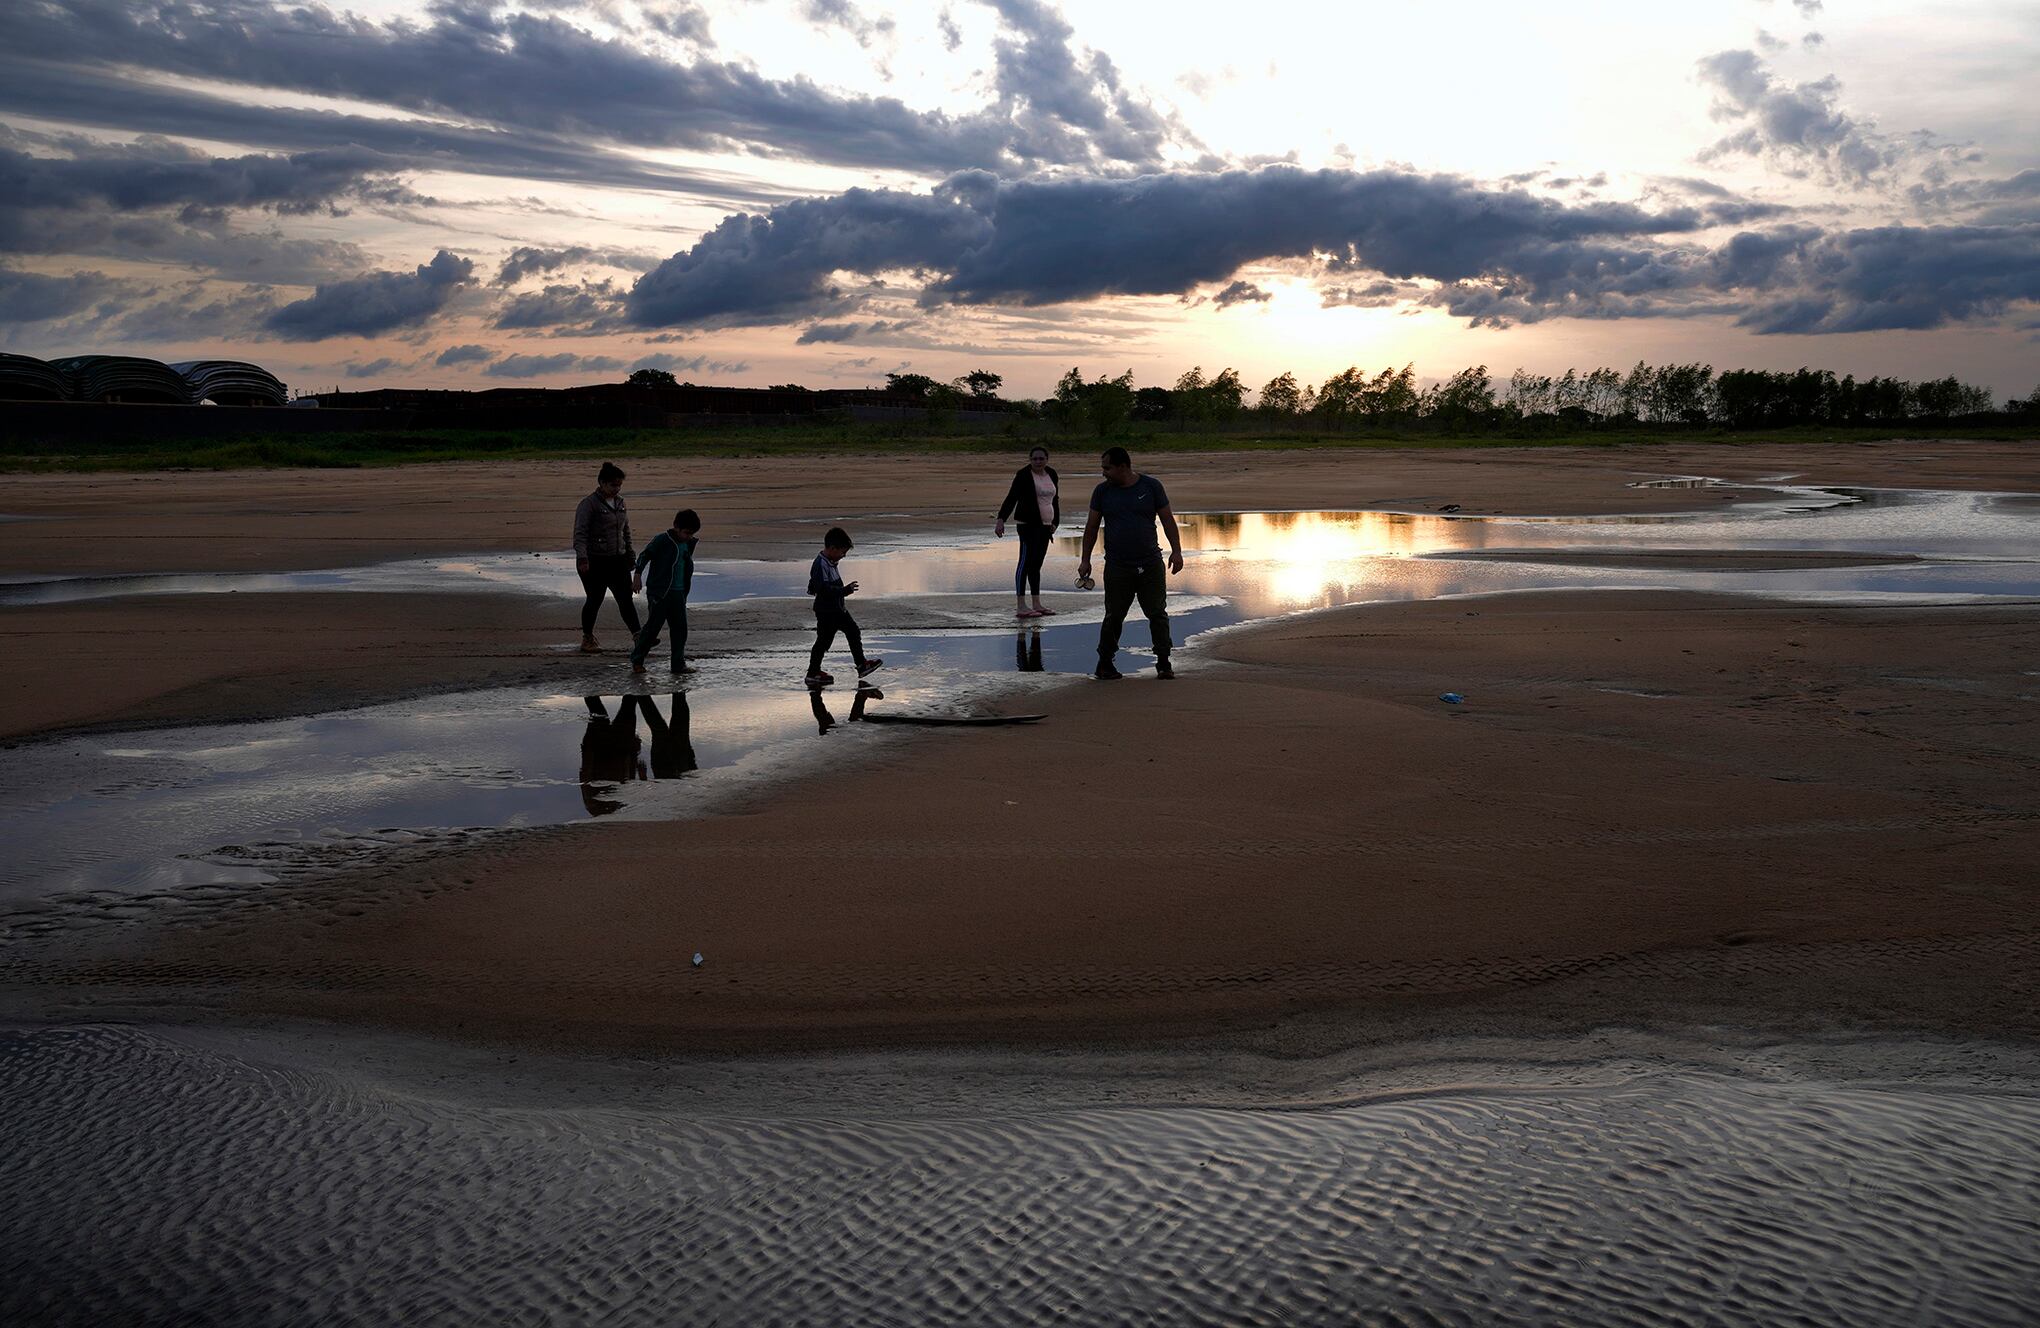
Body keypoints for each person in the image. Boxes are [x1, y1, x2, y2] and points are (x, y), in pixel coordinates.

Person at [1077, 446, 1183, 681]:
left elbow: (1167, 520)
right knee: (1114, 616)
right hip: (1118, 565)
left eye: (1107, 468)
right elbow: (1092, 527)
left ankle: (1164, 663)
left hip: (1150, 563)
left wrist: (1176, 552)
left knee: (1157, 613)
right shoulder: (1102, 492)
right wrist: (1085, 559)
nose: (1103, 472)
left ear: (1123, 466)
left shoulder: (1151, 486)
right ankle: (1105, 663)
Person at [573, 462, 641, 652]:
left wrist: (630, 554)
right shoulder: (588, 505)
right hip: (595, 561)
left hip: (618, 560)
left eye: (619, 485)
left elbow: (625, 531)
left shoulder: (620, 502)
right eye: (613, 485)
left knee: (625, 599)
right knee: (595, 599)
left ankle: (638, 636)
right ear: (602, 483)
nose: (616, 489)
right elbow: (580, 534)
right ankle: (587, 638)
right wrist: (582, 559)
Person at [806, 526, 882, 687]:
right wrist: (844, 590)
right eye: (842, 552)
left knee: (852, 631)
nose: (843, 556)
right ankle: (813, 672)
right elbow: (822, 589)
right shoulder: (820, 563)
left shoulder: (830, 562)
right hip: (827, 611)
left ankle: (861, 665)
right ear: (832, 548)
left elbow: (816, 586)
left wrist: (841, 592)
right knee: (823, 642)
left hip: (837, 609)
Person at [629, 508, 698, 675]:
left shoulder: (687, 543)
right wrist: (637, 575)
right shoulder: (662, 540)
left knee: (680, 629)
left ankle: (677, 664)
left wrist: (684, 593)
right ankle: (637, 659)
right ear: (676, 527)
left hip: (679, 593)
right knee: (652, 628)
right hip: (659, 593)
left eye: (691, 533)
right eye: (686, 533)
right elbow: (645, 555)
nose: (689, 536)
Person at [994, 446, 1060, 619]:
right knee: (1025, 563)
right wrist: (1001, 519)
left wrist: (1055, 522)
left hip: (1045, 526)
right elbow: (1012, 497)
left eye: (1041, 459)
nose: (1038, 462)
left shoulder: (1051, 474)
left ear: (1047, 459)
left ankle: (1037, 603)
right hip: (1028, 525)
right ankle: (1021, 605)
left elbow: (1055, 500)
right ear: (1030, 460)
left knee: (1036, 564)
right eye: (1035, 459)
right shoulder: (1023, 475)